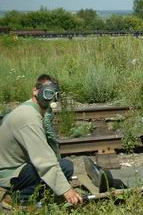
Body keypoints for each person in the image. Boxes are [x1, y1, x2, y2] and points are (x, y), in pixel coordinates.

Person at [0, 74, 82, 208]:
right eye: (48, 93)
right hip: (9, 173)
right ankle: (16, 199)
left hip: (11, 166)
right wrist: (67, 191)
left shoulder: (29, 109)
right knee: (65, 167)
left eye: (56, 95)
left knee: (59, 166)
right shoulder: (29, 118)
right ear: (35, 91)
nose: (52, 99)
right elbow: (44, 160)